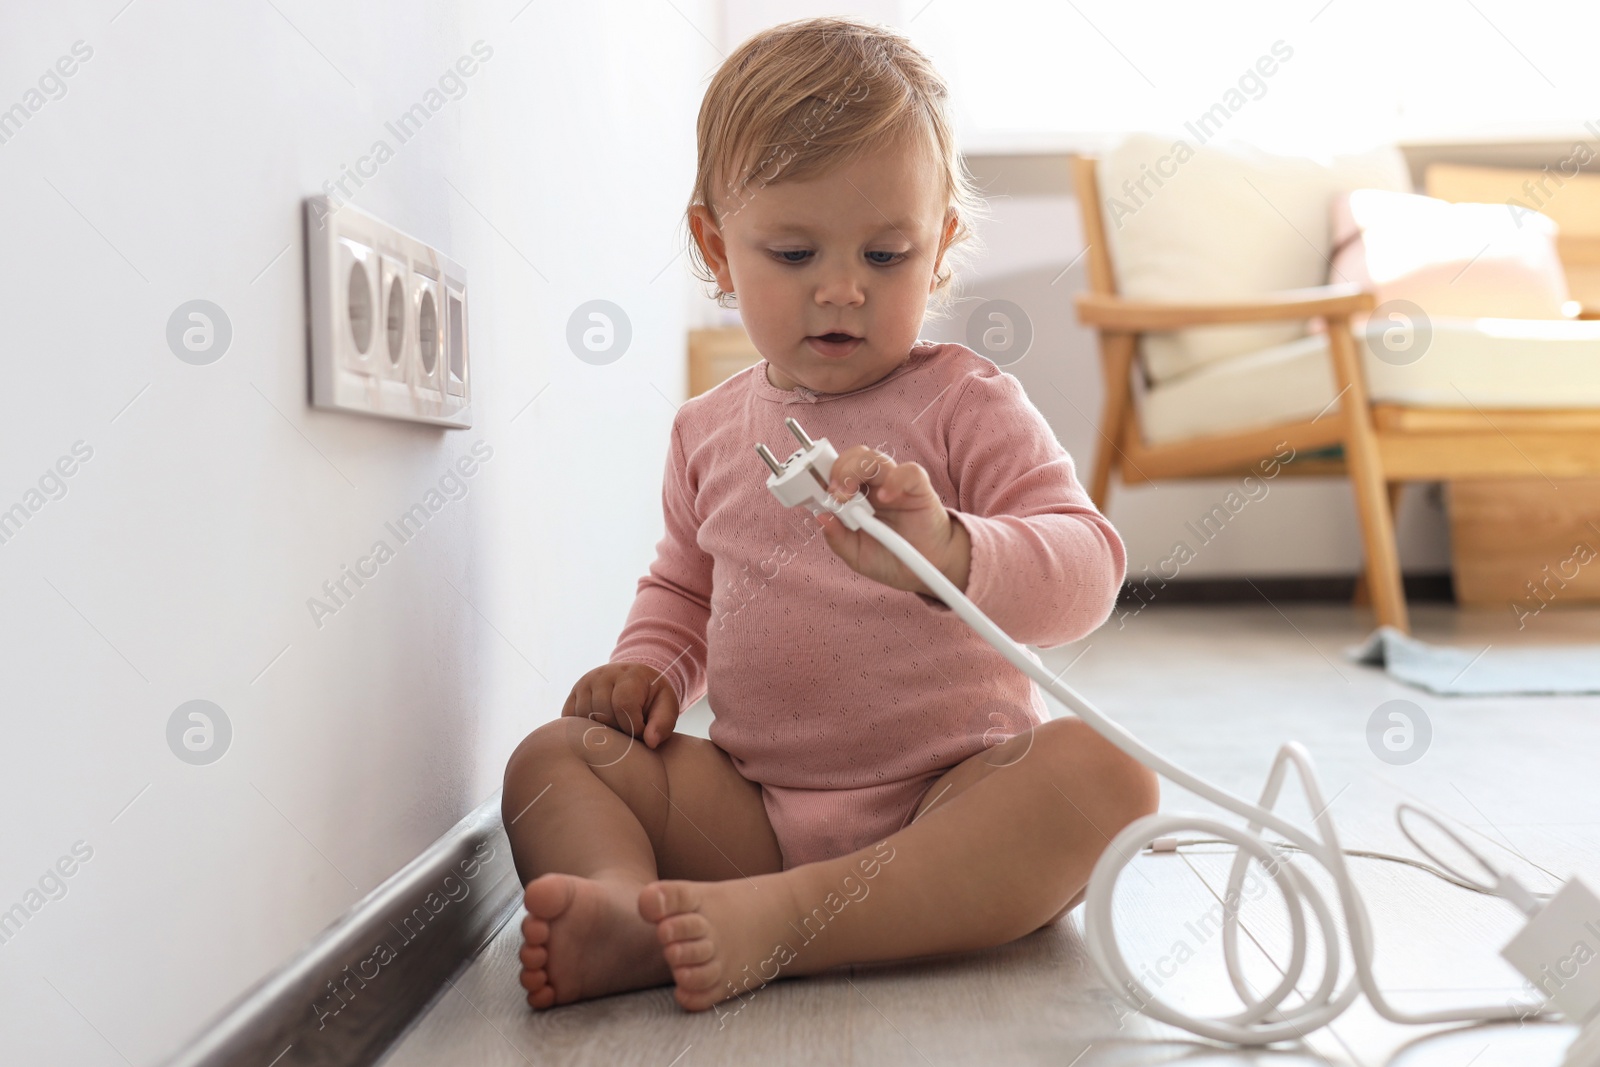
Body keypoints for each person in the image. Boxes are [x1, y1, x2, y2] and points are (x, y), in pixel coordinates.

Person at [501, 14, 1159, 1016]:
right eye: (796, 251)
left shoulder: (966, 402)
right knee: (552, 761)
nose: (842, 288)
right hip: (756, 810)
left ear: (939, 246)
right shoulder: (707, 431)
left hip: (949, 805)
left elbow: (1087, 566)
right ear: (716, 246)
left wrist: (950, 546)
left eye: (887, 254)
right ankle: (631, 915)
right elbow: (682, 586)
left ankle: (785, 923)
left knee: (1104, 778)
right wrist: (650, 669)